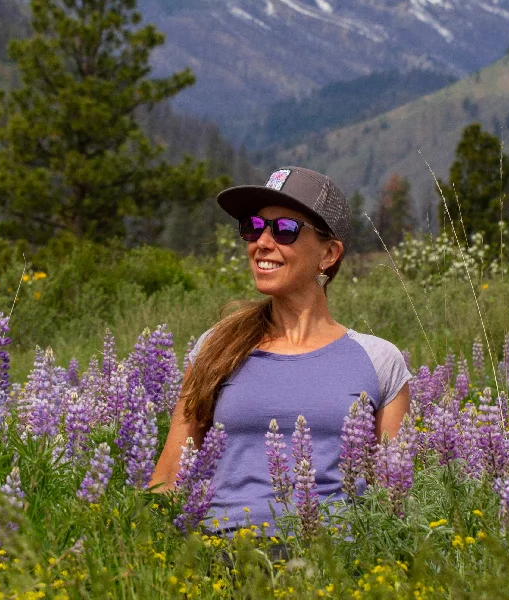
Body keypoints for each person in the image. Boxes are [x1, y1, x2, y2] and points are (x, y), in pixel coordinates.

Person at [151, 166, 411, 532]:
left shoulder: (381, 360)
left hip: (334, 569)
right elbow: (169, 476)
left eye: (285, 229)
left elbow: (392, 498)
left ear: (329, 253)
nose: (262, 242)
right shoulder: (217, 346)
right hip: (221, 564)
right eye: (253, 227)